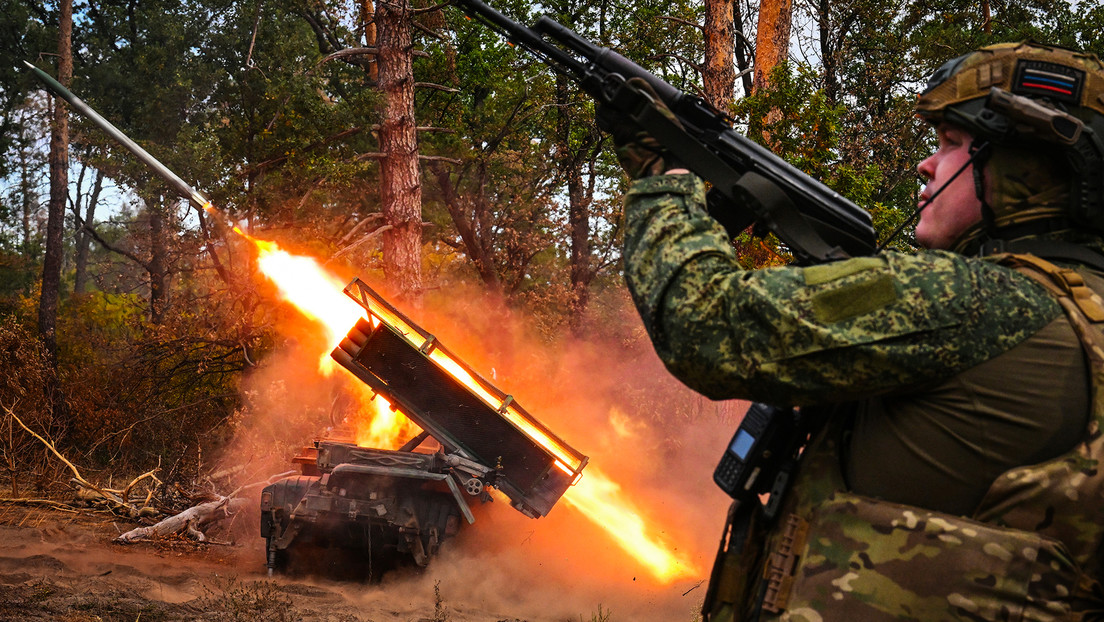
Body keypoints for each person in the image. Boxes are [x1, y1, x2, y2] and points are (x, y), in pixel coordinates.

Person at [612, 42, 1104, 620]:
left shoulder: (972, 301)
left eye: (950, 145)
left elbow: (705, 324)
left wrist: (663, 178)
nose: (927, 165)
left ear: (1025, 167)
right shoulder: (1078, 308)